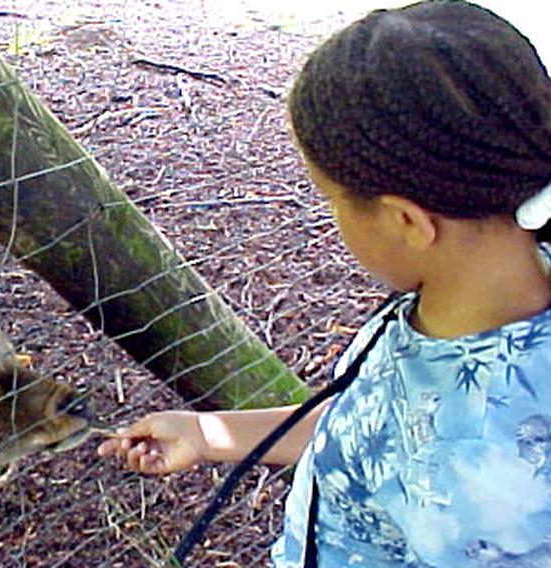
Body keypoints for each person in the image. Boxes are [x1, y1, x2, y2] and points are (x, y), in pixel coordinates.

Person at [97, 1, 551, 566]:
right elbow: (375, 431)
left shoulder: (495, 486)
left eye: (331, 199)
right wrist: (208, 434)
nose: (331, 217)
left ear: (406, 221)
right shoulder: (460, 302)